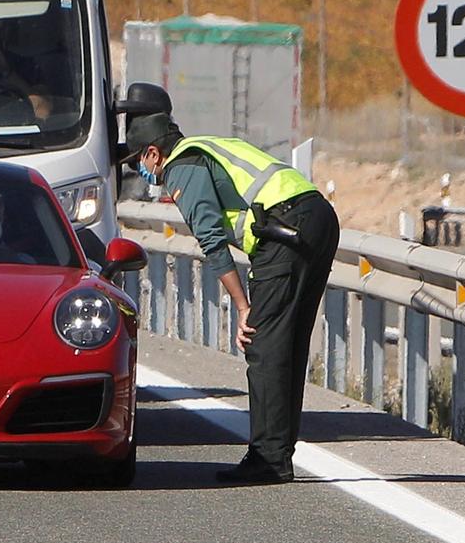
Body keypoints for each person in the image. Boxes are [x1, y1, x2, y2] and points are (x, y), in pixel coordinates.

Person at [128, 112, 339, 484]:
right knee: (288, 343)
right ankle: (279, 451)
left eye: (138, 162)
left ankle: (269, 460)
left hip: (284, 230)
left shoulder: (182, 167)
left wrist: (243, 308)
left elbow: (211, 239)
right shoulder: (211, 146)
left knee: (264, 345)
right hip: (317, 216)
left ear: (153, 153)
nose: (140, 171)